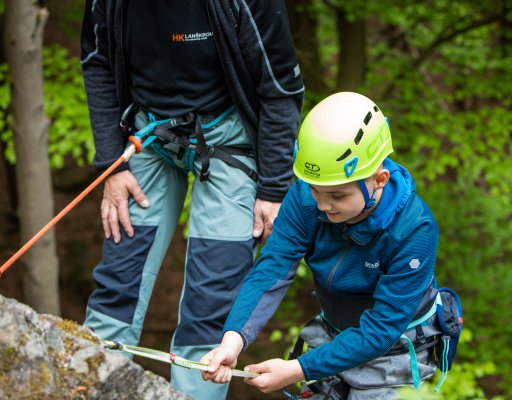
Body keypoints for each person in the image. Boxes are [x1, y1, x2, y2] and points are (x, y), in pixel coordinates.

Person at [79, 1, 304, 399]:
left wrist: (273, 188)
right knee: (120, 276)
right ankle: (88, 384)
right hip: (148, 131)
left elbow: (280, 86)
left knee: (213, 295)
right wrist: (111, 166)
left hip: (227, 138)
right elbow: (97, 62)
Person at [200, 92, 444, 399]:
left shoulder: (414, 230)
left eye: (338, 195)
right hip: (333, 330)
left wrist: (297, 369)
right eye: (316, 190)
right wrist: (233, 339)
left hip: (396, 345)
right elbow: (272, 268)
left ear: (379, 179)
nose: (324, 205)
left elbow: (382, 328)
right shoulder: (305, 199)